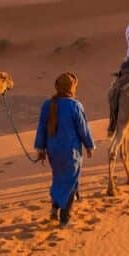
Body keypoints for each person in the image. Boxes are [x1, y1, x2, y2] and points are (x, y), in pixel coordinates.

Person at [34, 73, 94, 227]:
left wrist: (40, 148)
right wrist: (89, 145)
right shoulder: (75, 105)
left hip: (53, 150)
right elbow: (83, 128)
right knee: (71, 180)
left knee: (58, 177)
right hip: (70, 151)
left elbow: (41, 128)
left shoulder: (47, 104)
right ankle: (64, 218)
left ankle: (54, 210)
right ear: (72, 87)